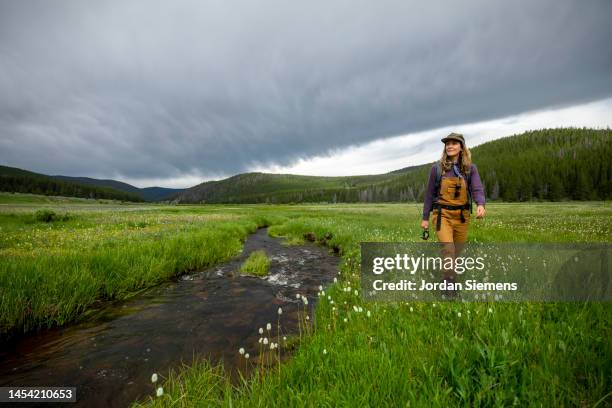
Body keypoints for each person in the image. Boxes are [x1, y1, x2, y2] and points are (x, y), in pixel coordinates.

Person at [421, 132, 486, 289]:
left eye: (454, 143)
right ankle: (449, 286)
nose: (450, 146)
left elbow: (476, 188)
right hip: (442, 216)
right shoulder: (436, 169)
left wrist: (480, 204)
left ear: (461, 147)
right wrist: (425, 218)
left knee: (456, 252)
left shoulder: (470, 169)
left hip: (462, 217)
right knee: (448, 249)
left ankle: (448, 276)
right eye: (447, 143)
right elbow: (429, 195)